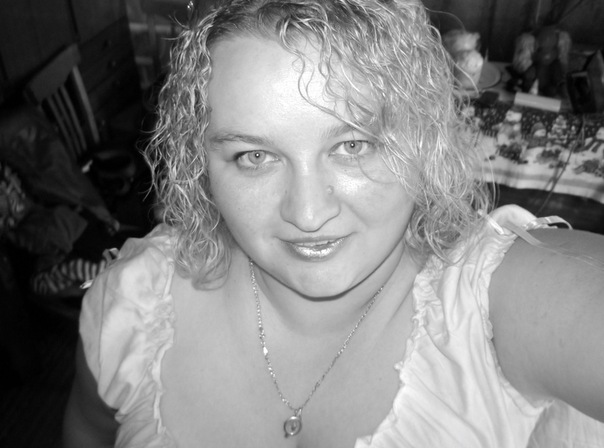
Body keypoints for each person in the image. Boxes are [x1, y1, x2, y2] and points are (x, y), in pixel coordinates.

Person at [62, 0, 604, 446]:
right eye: (254, 156)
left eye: (353, 145)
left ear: (422, 140)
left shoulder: (496, 306)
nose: (307, 213)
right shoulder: (131, 307)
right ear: (198, 164)